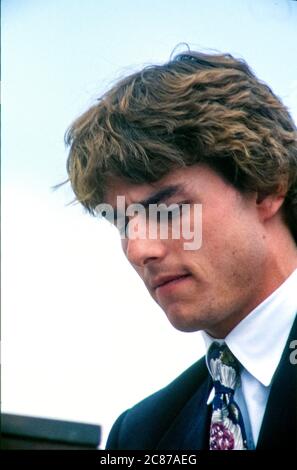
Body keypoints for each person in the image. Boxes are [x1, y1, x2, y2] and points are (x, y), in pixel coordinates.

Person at [61, 50, 297, 450]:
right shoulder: (139, 437)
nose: (139, 250)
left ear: (266, 186)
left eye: (167, 211)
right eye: (121, 222)